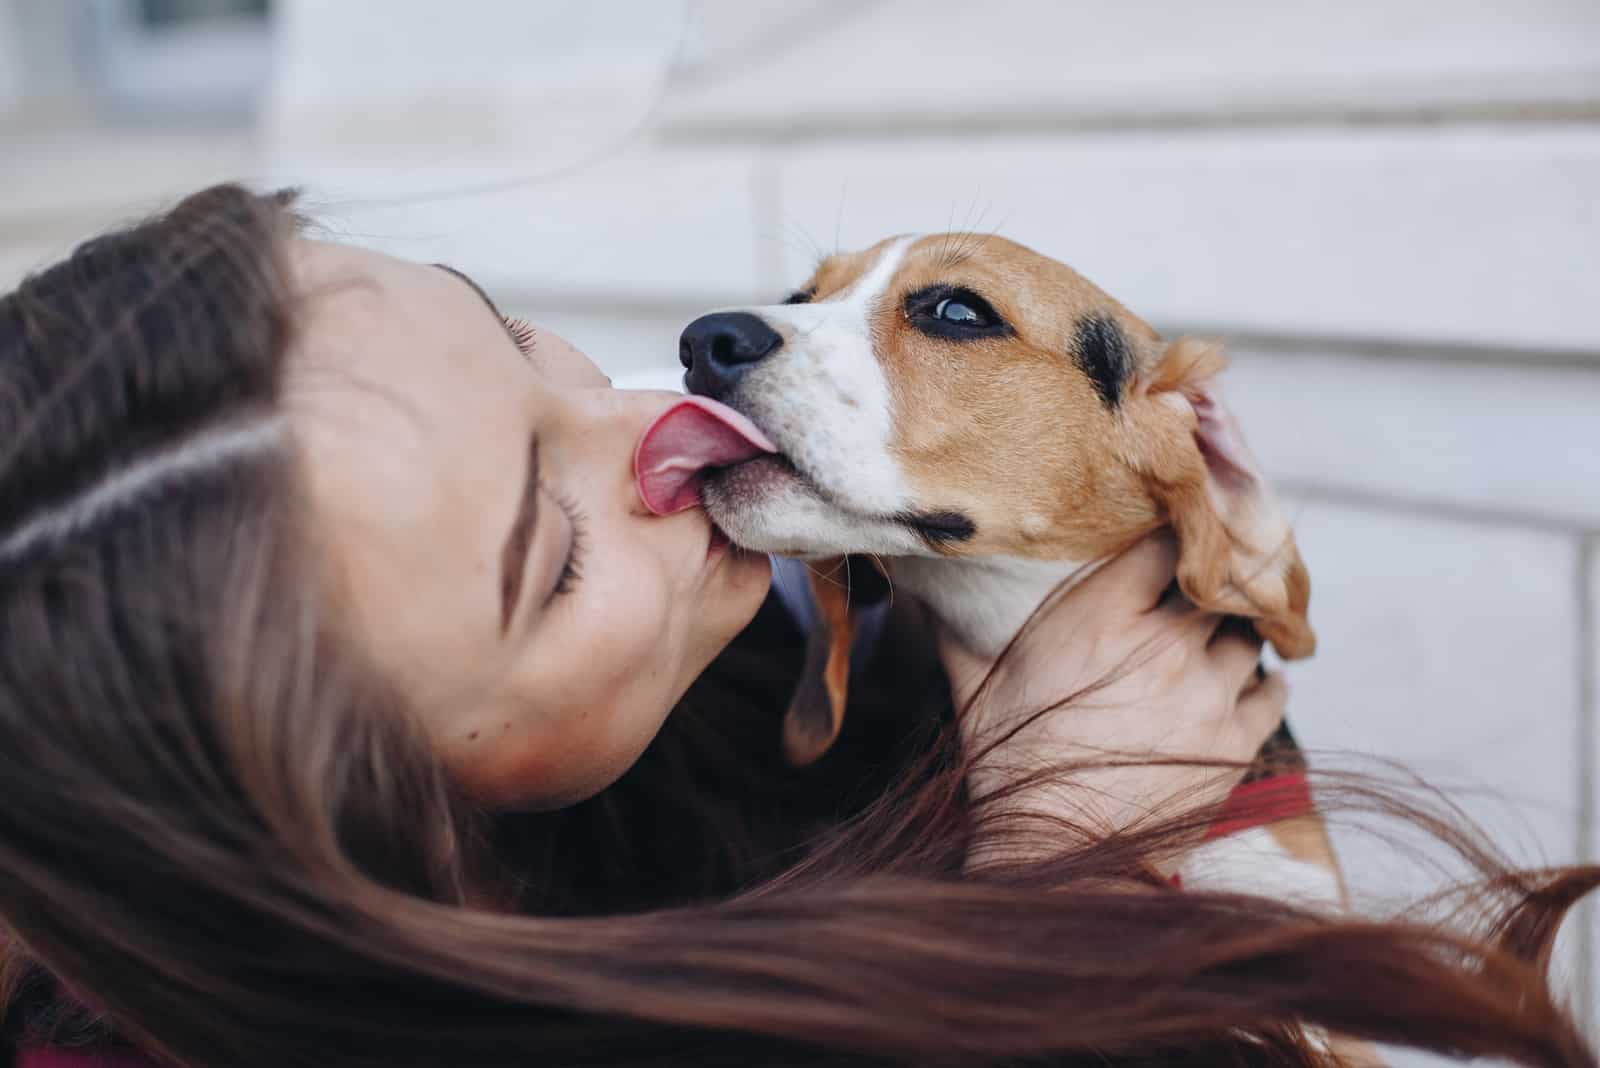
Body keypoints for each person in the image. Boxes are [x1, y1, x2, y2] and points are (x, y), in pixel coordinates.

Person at [0, 184, 1592, 1068]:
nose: (645, 411)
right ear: (366, 834)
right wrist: (1054, 879)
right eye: (548, 559)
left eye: (513, 329)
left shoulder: (791, 655)